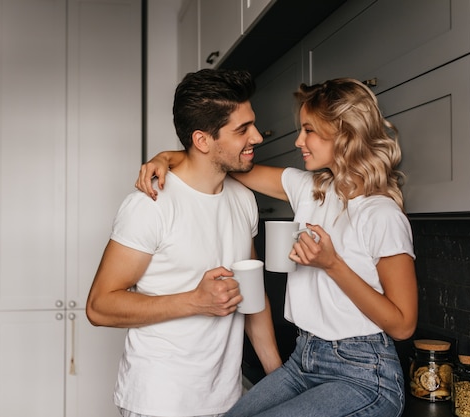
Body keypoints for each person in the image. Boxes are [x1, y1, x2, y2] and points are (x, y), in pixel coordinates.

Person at [135, 78, 418, 417]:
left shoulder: (381, 213)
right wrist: (169, 156)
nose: (299, 141)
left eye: (309, 130)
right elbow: (227, 163)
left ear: (343, 134)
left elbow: (403, 324)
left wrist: (333, 265)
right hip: (304, 358)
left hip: (364, 374)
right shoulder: (312, 189)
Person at [86, 68, 283, 417]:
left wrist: (278, 381)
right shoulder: (151, 204)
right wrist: (195, 301)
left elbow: (253, 297)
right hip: (160, 401)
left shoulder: (243, 199)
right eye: (241, 130)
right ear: (203, 140)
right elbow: (99, 307)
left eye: (252, 124)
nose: (256, 136)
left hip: (228, 399)